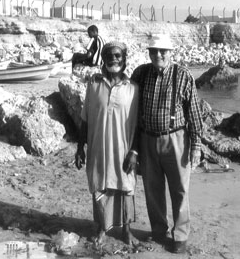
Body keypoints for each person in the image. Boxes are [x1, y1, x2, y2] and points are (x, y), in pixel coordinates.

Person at [130, 34, 203, 254]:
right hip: (147, 138)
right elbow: (131, 109)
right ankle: (159, 231)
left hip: (176, 139)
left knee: (179, 189)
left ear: (171, 52)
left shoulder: (183, 75)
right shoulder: (140, 74)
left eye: (162, 51)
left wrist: (197, 146)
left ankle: (180, 235)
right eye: (153, 51)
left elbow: (194, 113)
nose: (158, 55)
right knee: (153, 189)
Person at [75, 42, 140, 245]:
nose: (113, 59)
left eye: (118, 55)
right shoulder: (93, 85)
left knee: (126, 187)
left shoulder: (133, 89)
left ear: (124, 58)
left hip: (123, 150)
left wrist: (135, 152)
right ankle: (102, 228)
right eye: (109, 55)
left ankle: (126, 231)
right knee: (99, 187)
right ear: (103, 59)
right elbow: (85, 119)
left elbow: (138, 124)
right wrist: (80, 147)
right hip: (98, 149)